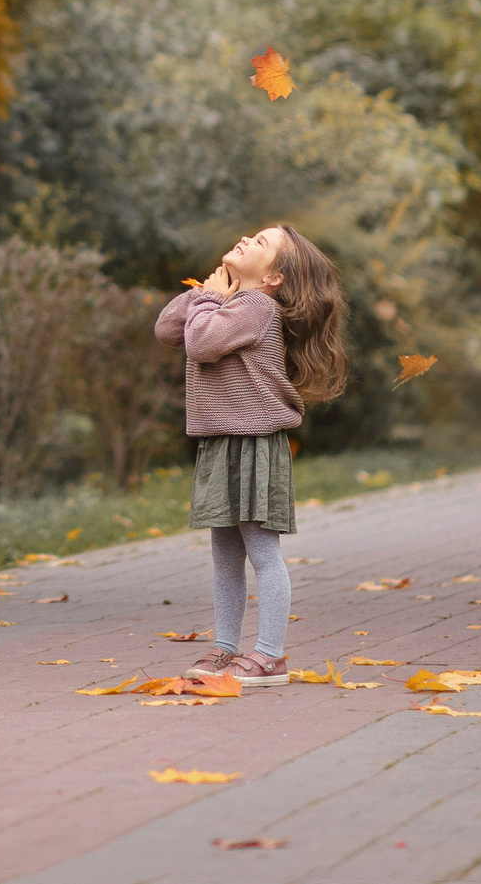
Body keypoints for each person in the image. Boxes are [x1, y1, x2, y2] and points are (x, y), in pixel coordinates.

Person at [153, 223, 348, 682]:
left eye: (260, 243)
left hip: (254, 440)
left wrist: (210, 301)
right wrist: (207, 291)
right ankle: (225, 647)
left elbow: (200, 344)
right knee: (224, 553)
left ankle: (270, 653)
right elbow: (167, 330)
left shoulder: (258, 306)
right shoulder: (227, 303)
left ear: (274, 278)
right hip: (221, 439)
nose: (245, 240)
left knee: (262, 551)